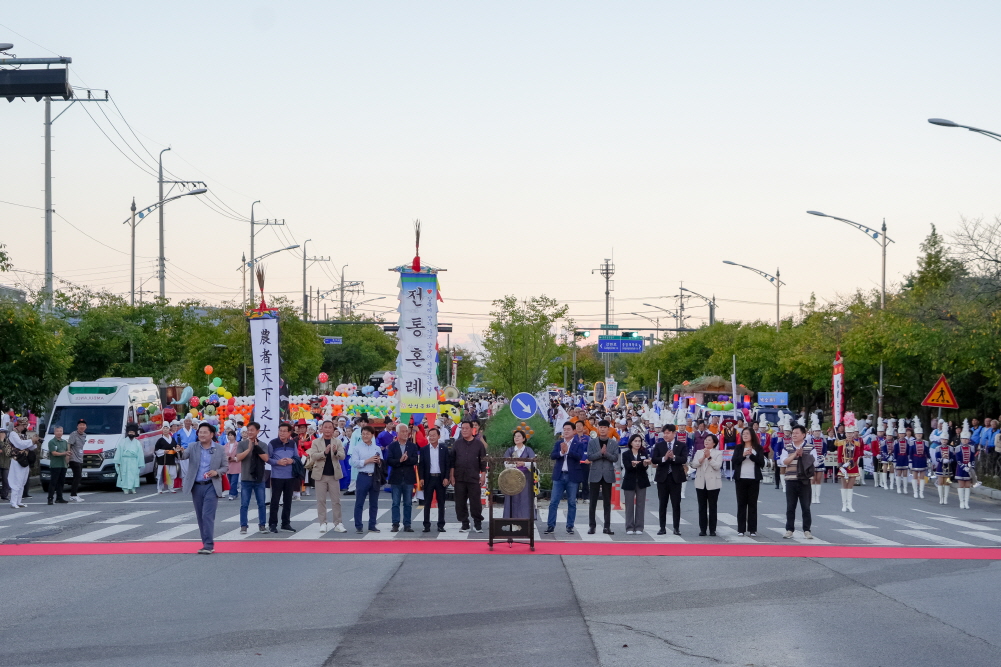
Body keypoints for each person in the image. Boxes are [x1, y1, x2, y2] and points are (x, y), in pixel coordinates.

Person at [179, 422, 228, 554]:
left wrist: (216, 472)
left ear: (212, 434)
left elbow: (225, 467)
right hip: (196, 486)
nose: (202, 434)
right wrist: (178, 451)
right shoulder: (192, 446)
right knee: (200, 516)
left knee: (207, 515)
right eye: (200, 432)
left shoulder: (219, 449)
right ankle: (205, 542)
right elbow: (183, 456)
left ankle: (208, 545)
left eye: (205, 432)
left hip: (211, 485)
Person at [546, 421, 585, 535]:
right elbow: (553, 456)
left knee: (572, 502)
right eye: (564, 429)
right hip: (559, 475)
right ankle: (550, 525)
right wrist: (561, 452)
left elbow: (579, 456)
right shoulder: (558, 443)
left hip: (572, 476)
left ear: (574, 431)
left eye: (568, 429)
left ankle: (570, 526)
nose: (566, 431)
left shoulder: (578, 444)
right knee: (553, 502)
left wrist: (568, 451)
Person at [308, 420, 347, 533]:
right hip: (320, 475)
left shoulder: (337, 442)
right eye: (325, 427)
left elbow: (343, 456)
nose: (328, 429)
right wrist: (324, 453)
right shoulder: (316, 442)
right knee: (321, 500)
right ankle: (322, 523)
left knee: (336, 501)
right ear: (322, 428)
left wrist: (335, 452)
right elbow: (313, 456)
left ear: (333, 429)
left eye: (330, 427)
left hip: (334, 475)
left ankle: (338, 523)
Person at [450, 420, 487, 533]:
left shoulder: (479, 444)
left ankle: (477, 523)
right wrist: (451, 476)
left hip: (473, 478)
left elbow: (483, 462)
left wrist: (483, 475)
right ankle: (464, 523)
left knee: (475, 502)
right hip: (459, 477)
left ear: (472, 429)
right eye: (463, 428)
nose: (464, 430)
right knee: (460, 502)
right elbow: (452, 461)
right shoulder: (457, 444)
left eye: (467, 428)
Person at [652, 423, 687, 536]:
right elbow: (654, 459)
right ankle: (662, 527)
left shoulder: (681, 445)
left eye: (668, 433)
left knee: (676, 504)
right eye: (664, 433)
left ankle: (676, 528)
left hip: (676, 478)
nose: (665, 435)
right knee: (663, 503)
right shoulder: (659, 445)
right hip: (662, 478)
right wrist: (664, 458)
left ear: (674, 433)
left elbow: (684, 459)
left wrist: (674, 457)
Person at [235, 421, 269, 534]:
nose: (250, 432)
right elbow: (238, 457)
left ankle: (262, 525)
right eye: (248, 430)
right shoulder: (242, 444)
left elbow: (266, 458)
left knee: (261, 503)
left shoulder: (263, 444)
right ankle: (243, 526)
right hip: (246, 478)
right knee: (244, 504)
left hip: (259, 478)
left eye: (252, 430)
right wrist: (249, 449)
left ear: (258, 431)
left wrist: (256, 447)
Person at [587, 420, 619, 535]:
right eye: (601, 427)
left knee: (607, 502)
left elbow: (615, 458)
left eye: (605, 427)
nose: (603, 429)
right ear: (598, 429)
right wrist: (600, 453)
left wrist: (606, 454)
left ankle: (607, 526)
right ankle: (592, 526)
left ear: (608, 429)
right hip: (595, 473)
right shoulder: (592, 442)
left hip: (607, 474)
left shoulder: (613, 443)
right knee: (593, 502)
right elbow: (590, 457)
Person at [782, 423, 814, 539]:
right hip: (790, 480)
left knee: (806, 506)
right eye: (793, 433)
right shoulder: (787, 447)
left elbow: (814, 462)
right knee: (790, 506)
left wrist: (803, 456)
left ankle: (807, 530)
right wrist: (795, 454)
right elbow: (784, 461)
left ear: (804, 435)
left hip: (804, 481)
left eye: (797, 433)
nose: (794, 435)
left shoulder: (810, 447)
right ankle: (789, 529)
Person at [731, 426, 765, 536]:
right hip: (740, 479)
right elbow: (734, 461)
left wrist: (752, 455)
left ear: (752, 436)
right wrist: (743, 455)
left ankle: (752, 529)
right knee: (741, 504)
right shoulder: (739, 448)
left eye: (747, 434)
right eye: (743, 434)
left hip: (754, 479)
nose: (744, 435)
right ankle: (741, 529)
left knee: (752, 504)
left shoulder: (758, 448)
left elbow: (762, 463)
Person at [267, 423, 299, 534]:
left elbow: (297, 458)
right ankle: (272, 524)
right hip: (277, 476)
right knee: (275, 501)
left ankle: (285, 523)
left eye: (285, 431)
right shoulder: (273, 443)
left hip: (290, 476)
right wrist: (277, 462)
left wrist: (292, 461)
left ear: (289, 433)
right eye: (280, 430)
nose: (282, 433)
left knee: (288, 501)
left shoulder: (292, 443)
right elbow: (267, 459)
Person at [350, 425, 383, 533]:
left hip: (374, 477)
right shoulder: (357, 448)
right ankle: (358, 525)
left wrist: (378, 461)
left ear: (372, 435)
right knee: (359, 502)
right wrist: (367, 461)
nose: (365, 436)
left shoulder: (376, 448)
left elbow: (382, 463)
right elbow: (354, 463)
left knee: (374, 503)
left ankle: (372, 524)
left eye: (367, 434)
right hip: (363, 476)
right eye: (363, 434)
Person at [387, 423, 420, 532]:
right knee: (395, 503)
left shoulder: (412, 446)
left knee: (408, 503)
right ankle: (395, 524)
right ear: (397, 433)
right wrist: (399, 461)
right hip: (396, 478)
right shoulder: (392, 446)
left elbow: (415, 460)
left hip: (408, 478)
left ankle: (407, 524)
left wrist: (407, 459)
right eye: (403, 431)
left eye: (406, 431)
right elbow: (389, 461)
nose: (405, 433)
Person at [418, 426, 451, 533]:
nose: (431, 437)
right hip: (428, 478)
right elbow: (421, 465)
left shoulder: (444, 449)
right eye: (430, 435)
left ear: (438, 436)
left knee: (441, 503)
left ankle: (441, 524)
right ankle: (426, 525)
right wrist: (421, 478)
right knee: (427, 502)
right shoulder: (424, 449)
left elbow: (447, 464)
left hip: (441, 478)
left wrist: (447, 477)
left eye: (434, 435)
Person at [691, 433, 723, 536]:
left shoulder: (718, 453)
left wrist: (709, 457)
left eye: (709, 440)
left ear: (714, 443)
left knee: (713, 507)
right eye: (706, 440)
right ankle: (703, 529)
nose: (706, 442)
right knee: (702, 507)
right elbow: (694, 464)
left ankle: (712, 529)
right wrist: (702, 458)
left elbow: (717, 466)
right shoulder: (699, 452)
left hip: (713, 483)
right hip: (701, 482)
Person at [503, 427, 536, 520]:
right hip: (512, 478)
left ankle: (526, 519)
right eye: (515, 436)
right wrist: (514, 464)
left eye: (518, 436)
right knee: (512, 498)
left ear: (524, 439)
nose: (516, 438)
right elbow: (505, 463)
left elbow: (534, 462)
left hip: (525, 477)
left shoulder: (528, 450)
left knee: (525, 498)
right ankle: (511, 519)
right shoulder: (510, 450)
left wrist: (524, 463)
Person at [621, 434, 651, 535]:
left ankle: (639, 527)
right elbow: (627, 467)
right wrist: (633, 465)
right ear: (631, 443)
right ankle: (629, 527)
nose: (638, 443)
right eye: (636, 441)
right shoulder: (626, 454)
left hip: (642, 481)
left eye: (639, 441)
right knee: (629, 505)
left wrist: (644, 464)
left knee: (640, 505)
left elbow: (645, 467)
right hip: (629, 481)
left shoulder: (643, 452)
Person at [838, 413, 862, 512]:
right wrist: (841, 465)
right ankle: (844, 505)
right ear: (845, 433)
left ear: (853, 434)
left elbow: (857, 454)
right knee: (844, 485)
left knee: (850, 486)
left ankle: (850, 505)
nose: (849, 435)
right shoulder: (841, 442)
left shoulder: (856, 443)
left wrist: (851, 461)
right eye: (847, 433)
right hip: (843, 466)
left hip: (853, 466)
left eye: (851, 433)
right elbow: (839, 455)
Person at [114, 423, 144, 494]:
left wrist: (140, 463)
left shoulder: (137, 443)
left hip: (134, 461)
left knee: (134, 474)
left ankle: (133, 487)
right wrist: (118, 461)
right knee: (124, 474)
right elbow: (119, 452)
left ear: (135, 433)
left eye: (133, 432)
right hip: (124, 460)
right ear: (127, 433)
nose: (131, 433)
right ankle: (125, 488)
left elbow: (140, 454)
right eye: (130, 432)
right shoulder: (122, 442)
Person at [953, 420, 976, 509]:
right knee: (961, 485)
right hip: (961, 468)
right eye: (963, 439)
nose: (965, 440)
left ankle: (967, 502)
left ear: (969, 439)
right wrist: (963, 466)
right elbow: (958, 459)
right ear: (961, 439)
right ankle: (961, 502)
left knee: (967, 485)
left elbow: (972, 458)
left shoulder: (972, 448)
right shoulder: (958, 448)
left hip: (969, 469)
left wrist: (971, 466)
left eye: (966, 439)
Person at [46, 425, 71, 504]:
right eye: (57, 431)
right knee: (53, 482)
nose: (59, 433)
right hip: (55, 465)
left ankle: (59, 498)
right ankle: (50, 498)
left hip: (63, 465)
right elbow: (54, 453)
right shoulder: (52, 442)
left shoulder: (64, 442)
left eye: (60, 431)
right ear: (54, 432)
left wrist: (67, 462)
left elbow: (67, 452)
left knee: (61, 482)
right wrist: (64, 453)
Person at [153, 425, 179, 494]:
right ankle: (160, 489)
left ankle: (171, 487)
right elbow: (156, 450)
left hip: (171, 459)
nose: (165, 430)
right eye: (164, 429)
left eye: (166, 428)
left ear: (169, 430)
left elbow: (175, 448)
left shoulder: (172, 439)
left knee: (172, 474)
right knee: (161, 474)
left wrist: (177, 450)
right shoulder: (160, 440)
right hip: (163, 460)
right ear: (162, 430)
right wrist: (163, 451)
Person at [66, 419, 87, 502]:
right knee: (78, 476)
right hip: (73, 458)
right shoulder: (74, 434)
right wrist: (68, 455)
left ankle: (74, 494)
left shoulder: (85, 435)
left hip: (80, 458)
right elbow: (69, 444)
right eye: (80, 425)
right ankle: (73, 495)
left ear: (86, 427)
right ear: (77, 426)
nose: (82, 426)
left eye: (83, 425)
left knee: (77, 477)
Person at [908, 417, 929, 499]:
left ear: (922, 434)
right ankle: (915, 492)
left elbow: (927, 452)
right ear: (915, 435)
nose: (919, 435)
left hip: (923, 460)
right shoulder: (912, 443)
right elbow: (910, 453)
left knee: (922, 476)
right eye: (917, 434)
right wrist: (910, 461)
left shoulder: (926, 443)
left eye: (920, 434)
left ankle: (921, 492)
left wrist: (929, 459)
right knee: (915, 476)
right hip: (915, 460)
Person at [808, 413, 827, 503]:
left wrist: (822, 458)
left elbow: (825, 451)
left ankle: (817, 497)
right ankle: (812, 496)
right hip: (812, 461)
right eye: (816, 431)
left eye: (818, 431)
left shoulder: (823, 440)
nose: (817, 433)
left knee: (818, 479)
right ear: (813, 432)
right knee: (812, 479)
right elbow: (807, 450)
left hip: (820, 461)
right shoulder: (810, 440)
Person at [931, 431, 954, 505]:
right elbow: (937, 458)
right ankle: (941, 498)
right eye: (943, 439)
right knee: (940, 482)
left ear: (947, 440)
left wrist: (949, 460)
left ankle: (945, 498)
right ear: (940, 440)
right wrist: (942, 460)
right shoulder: (938, 448)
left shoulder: (950, 448)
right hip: (940, 467)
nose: (944, 441)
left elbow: (953, 458)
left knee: (947, 483)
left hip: (948, 468)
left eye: (945, 440)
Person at [893, 418, 910, 494]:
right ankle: (898, 488)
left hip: (905, 458)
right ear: (898, 434)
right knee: (899, 473)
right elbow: (895, 451)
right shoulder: (896, 442)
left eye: (903, 433)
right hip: (899, 458)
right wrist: (895, 460)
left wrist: (910, 460)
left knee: (905, 473)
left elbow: (909, 451)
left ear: (905, 434)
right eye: (900, 433)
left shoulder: (908, 442)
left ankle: (905, 488)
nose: (902, 435)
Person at [224, 430, 241, 500]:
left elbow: (240, 454)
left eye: (231, 435)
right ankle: (235, 493)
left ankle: (232, 494)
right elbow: (223, 454)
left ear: (235, 436)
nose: (230, 437)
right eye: (229, 435)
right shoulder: (226, 445)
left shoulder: (238, 445)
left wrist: (233, 458)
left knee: (234, 481)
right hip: (228, 465)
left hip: (236, 465)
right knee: (230, 481)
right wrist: (227, 458)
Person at [0, 428, 9, 502]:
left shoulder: (8, 442)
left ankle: (4, 495)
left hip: (6, 463)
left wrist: (2, 441)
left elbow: (6, 451)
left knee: (6, 480)